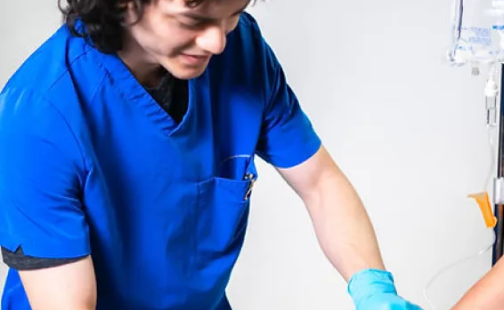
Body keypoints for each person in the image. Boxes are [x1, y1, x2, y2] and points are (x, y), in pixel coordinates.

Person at [0, 0, 422, 309]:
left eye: (234, 12)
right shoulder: (40, 115)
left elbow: (319, 182)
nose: (217, 41)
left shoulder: (241, 52)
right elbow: (69, 305)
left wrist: (372, 288)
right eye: (194, 19)